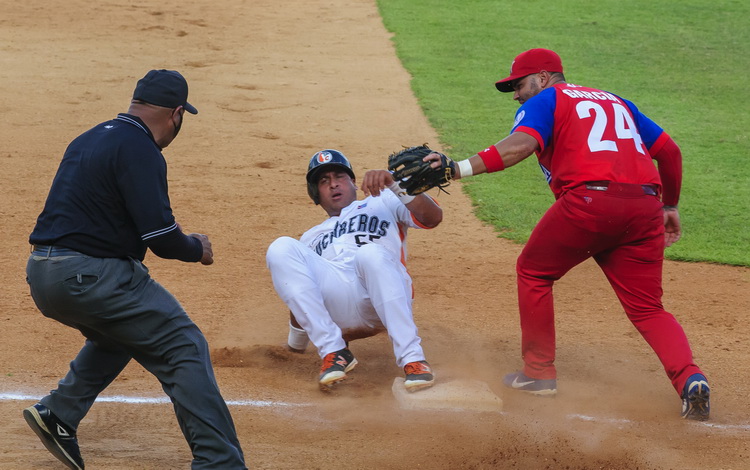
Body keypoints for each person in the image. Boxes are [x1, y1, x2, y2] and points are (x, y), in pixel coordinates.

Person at [440, 48, 709, 420]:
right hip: (645, 210)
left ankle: (537, 373)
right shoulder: (619, 102)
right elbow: (671, 153)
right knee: (648, 308)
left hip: (590, 204)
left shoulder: (548, 98)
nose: (516, 94)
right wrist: (670, 207)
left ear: (543, 78)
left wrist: (457, 168)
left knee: (533, 271)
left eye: (519, 85)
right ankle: (690, 378)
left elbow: (520, 146)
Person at [23, 70, 247, 469]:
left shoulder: (90, 138)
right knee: (183, 346)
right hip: (88, 275)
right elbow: (162, 238)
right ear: (176, 114)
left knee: (121, 334)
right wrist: (197, 248)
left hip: (43, 273)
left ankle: (59, 413)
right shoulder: (141, 149)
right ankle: (219, 463)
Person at [266, 149, 443, 392]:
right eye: (323, 181)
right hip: (339, 307)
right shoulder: (310, 238)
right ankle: (334, 351)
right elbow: (300, 292)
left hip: (382, 294)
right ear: (315, 194)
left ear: (353, 182)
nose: (333, 185)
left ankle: (413, 359)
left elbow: (432, 217)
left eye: (339, 176)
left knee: (369, 253)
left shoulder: (384, 200)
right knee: (281, 246)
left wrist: (395, 184)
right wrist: (295, 345)